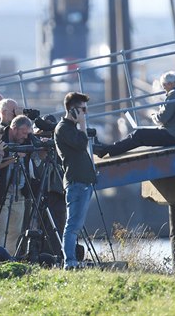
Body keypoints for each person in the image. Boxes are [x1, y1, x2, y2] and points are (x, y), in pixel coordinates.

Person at [93, 71, 175, 158]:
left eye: (164, 86)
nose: (164, 90)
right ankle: (107, 149)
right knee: (141, 135)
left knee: (140, 135)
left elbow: (162, 118)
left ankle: (107, 150)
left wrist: (153, 116)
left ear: (170, 84)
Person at [54, 92, 97, 270]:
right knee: (72, 226)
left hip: (84, 182)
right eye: (82, 110)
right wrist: (83, 125)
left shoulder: (72, 128)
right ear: (72, 110)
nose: (85, 113)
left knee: (75, 225)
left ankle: (71, 261)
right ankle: (69, 262)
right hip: (76, 182)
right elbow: (81, 144)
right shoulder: (63, 128)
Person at [0, 115, 33, 255]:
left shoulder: (26, 140)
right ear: (14, 128)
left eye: (28, 133)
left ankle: (9, 259)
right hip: (1, 192)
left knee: (15, 231)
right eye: (24, 132)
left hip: (19, 192)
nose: (26, 137)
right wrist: (13, 158)